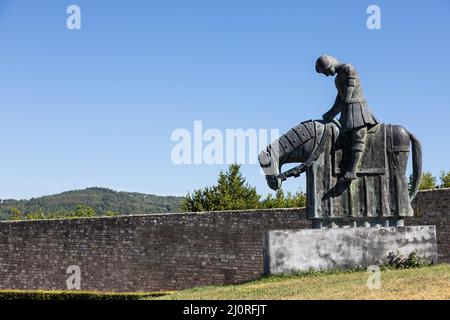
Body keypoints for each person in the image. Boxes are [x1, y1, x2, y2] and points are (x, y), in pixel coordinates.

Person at [316, 55, 379, 181]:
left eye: (326, 72)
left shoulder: (349, 69)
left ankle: (352, 171)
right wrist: (330, 113)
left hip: (357, 109)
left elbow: (347, 96)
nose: (327, 75)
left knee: (357, 138)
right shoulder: (337, 78)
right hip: (347, 111)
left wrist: (335, 111)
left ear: (330, 65)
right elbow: (340, 97)